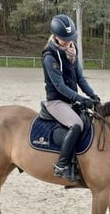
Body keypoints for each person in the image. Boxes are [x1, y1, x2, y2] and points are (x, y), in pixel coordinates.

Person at [41, 14, 100, 181]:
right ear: (55, 36)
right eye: (64, 39)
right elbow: (60, 86)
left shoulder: (72, 50)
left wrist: (92, 95)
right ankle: (62, 165)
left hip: (71, 99)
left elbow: (80, 78)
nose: (68, 42)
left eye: (69, 38)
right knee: (76, 124)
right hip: (56, 101)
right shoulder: (49, 56)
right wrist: (81, 99)